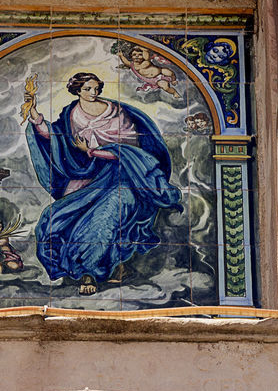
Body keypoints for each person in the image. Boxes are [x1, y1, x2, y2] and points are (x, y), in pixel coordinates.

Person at [23, 72, 182, 295]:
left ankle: (90, 272)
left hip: (122, 176)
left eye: (96, 88)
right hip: (87, 177)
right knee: (55, 218)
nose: (93, 92)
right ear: (77, 90)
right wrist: (36, 118)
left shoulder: (117, 113)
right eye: (87, 89)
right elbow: (57, 137)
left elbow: (129, 150)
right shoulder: (71, 113)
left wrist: (92, 151)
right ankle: (92, 267)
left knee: (103, 219)